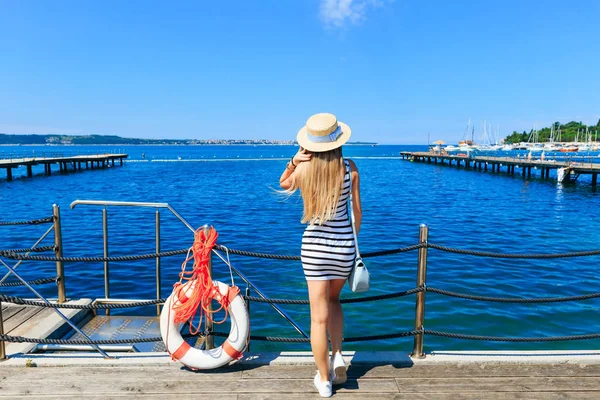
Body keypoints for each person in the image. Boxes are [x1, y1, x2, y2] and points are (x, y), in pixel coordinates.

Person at [279, 113, 362, 398]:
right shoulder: (350, 169)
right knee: (335, 301)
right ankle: (338, 355)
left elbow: (283, 183)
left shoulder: (305, 170)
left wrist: (294, 160)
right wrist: (350, 241)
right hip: (343, 248)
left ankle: (325, 381)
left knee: (318, 319)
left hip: (314, 248)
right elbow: (357, 214)